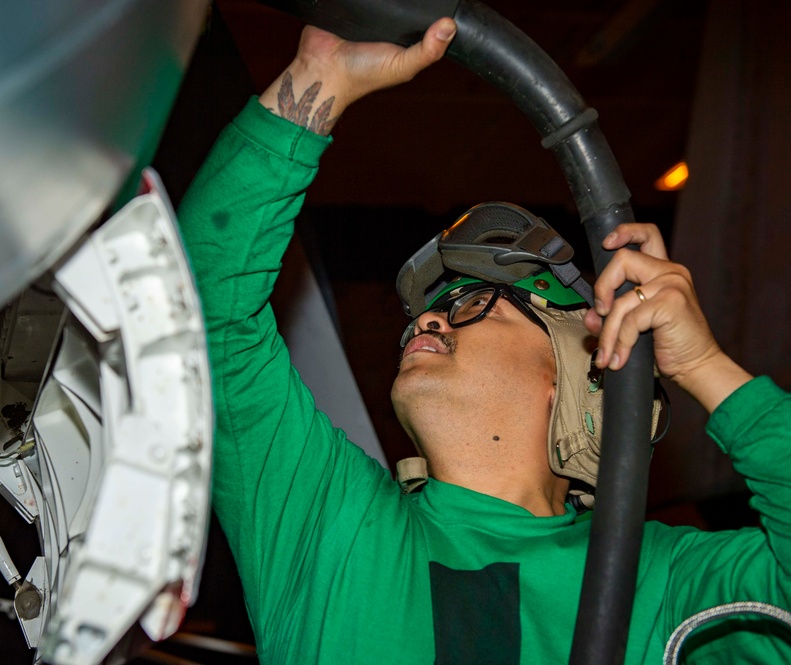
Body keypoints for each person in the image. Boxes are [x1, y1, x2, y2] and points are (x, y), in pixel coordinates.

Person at [176, 17, 791, 664]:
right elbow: (202, 311)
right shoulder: (328, 522)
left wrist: (702, 365)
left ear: (575, 365)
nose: (424, 322)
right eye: (427, 314)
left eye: (472, 303)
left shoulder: (661, 581)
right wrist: (317, 78)